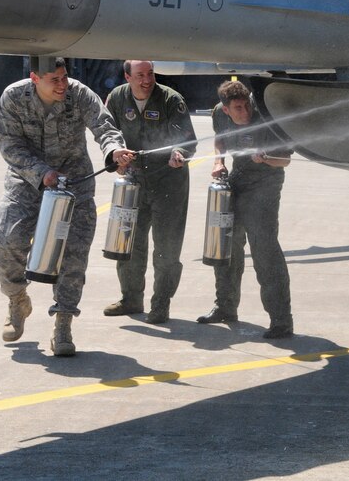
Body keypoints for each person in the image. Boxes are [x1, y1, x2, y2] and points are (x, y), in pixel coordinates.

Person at [0, 56, 134, 356]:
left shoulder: (79, 94)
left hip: (75, 181)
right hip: (28, 180)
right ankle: (17, 299)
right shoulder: (14, 98)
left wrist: (114, 151)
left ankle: (63, 324)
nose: (62, 85)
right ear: (35, 78)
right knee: (6, 242)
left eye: (64, 77)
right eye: (54, 80)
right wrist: (41, 171)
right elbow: (10, 146)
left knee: (74, 256)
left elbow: (104, 127)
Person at [197, 80, 294, 339]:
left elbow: (285, 160)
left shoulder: (265, 116)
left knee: (264, 248)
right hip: (237, 178)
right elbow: (220, 139)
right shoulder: (220, 112)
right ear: (226, 109)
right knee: (227, 245)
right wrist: (218, 162)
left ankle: (281, 320)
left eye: (246, 106)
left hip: (265, 182)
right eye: (237, 108)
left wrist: (267, 157)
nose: (244, 112)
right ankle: (225, 307)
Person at [102, 61, 197, 324]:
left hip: (169, 181)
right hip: (134, 182)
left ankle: (160, 303)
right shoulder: (117, 98)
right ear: (127, 76)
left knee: (166, 248)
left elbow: (187, 139)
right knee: (130, 245)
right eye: (140, 75)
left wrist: (180, 152)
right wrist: (115, 158)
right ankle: (131, 298)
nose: (147, 80)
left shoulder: (171, 99)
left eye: (150, 74)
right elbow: (109, 133)